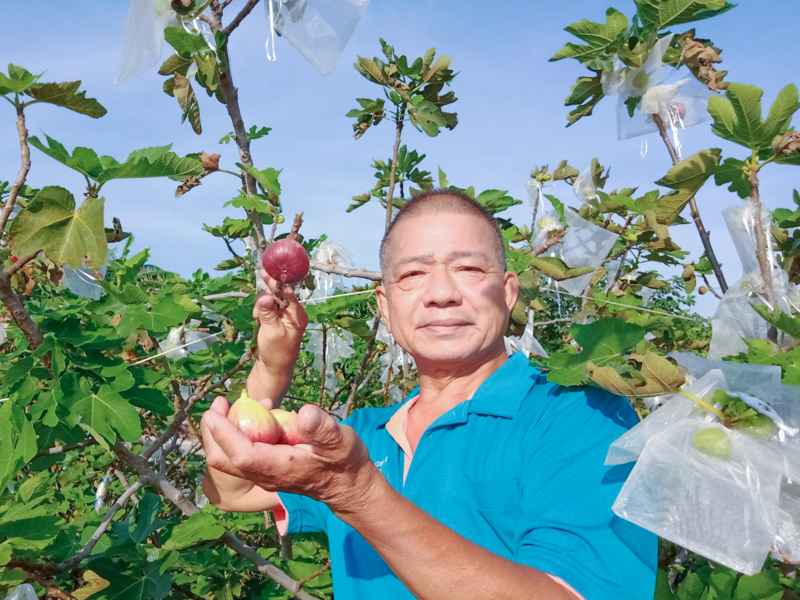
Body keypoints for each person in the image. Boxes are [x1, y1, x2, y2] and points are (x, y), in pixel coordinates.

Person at [200, 190, 658, 600]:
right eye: (413, 274)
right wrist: (274, 367)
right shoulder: (362, 435)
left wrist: (358, 494)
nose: (441, 293)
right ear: (385, 305)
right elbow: (231, 488)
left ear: (508, 291)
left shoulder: (582, 417)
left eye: (468, 268)